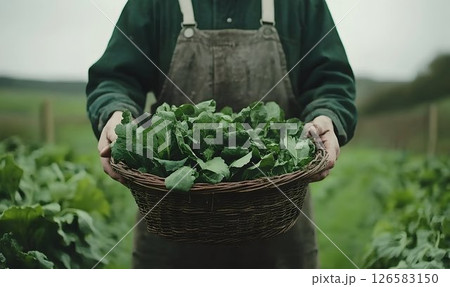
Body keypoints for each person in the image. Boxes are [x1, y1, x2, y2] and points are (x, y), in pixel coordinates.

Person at [86, 0, 357, 268]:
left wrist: (327, 117)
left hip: (280, 219)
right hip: (172, 216)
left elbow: (331, 81)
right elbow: (116, 78)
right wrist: (116, 113)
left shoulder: (302, 5)